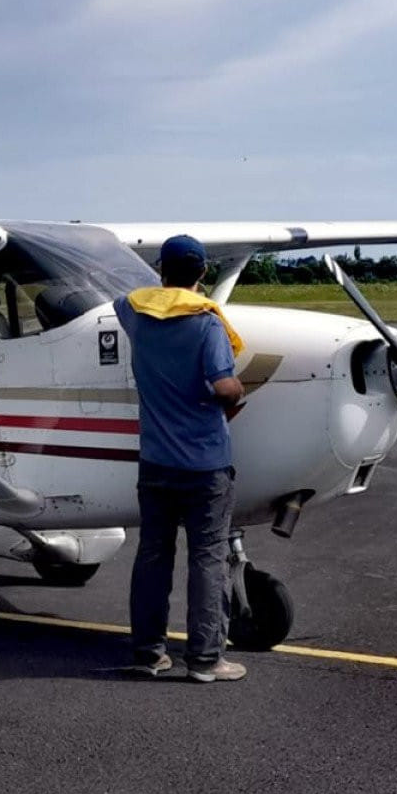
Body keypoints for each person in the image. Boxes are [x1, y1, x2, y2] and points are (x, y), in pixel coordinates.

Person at [113, 234, 248, 683]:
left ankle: (148, 654)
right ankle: (206, 660)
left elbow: (119, 300)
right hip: (206, 464)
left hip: (155, 462)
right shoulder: (208, 324)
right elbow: (225, 386)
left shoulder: (135, 314)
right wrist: (236, 394)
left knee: (153, 555)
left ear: (161, 270)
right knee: (208, 557)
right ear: (204, 273)